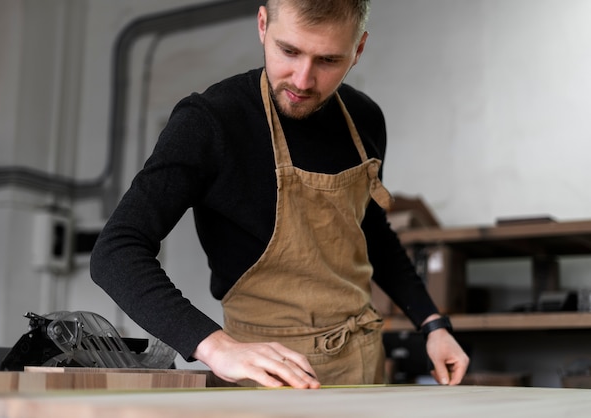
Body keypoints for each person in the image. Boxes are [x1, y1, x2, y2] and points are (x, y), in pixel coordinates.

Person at [91, 0, 469, 389]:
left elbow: (370, 232)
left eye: (328, 60)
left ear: (358, 50)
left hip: (362, 365)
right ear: (262, 25)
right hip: (265, 376)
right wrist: (215, 346)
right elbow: (116, 251)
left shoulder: (365, 119)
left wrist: (433, 324)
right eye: (289, 51)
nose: (303, 80)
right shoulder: (212, 122)